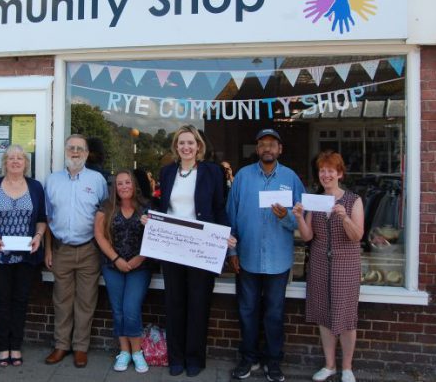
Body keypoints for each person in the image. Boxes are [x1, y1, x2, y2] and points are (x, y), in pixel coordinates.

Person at [227, 129, 306, 382]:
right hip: (247, 257)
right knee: (247, 311)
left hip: (278, 260)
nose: (267, 148)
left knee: (274, 314)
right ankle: (248, 359)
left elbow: (303, 219)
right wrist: (232, 251)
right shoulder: (243, 177)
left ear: (280, 149)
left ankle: (273, 362)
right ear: (257, 149)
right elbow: (231, 215)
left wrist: (286, 217)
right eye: (262, 144)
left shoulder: (291, 179)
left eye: (272, 144)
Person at [157, 124, 235, 378]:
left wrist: (226, 233)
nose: (186, 147)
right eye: (181, 143)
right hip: (172, 247)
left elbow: (219, 207)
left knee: (199, 304)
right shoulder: (167, 172)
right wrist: (150, 217)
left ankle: (194, 359)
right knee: (174, 303)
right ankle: (176, 358)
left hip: (201, 247)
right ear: (176, 147)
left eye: (190, 142)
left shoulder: (212, 172)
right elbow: (161, 206)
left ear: (198, 146)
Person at [293, 151, 364, 382]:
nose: (326, 175)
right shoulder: (315, 200)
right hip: (320, 262)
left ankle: (347, 368)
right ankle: (329, 365)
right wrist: (299, 217)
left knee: (346, 317)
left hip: (346, 263)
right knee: (323, 314)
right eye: (322, 170)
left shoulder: (353, 200)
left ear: (340, 174)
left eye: (331, 170)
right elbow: (307, 236)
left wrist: (344, 217)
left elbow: (357, 236)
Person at [0, 145, 47, 367]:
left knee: (20, 300)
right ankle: (3, 347)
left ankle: (15, 346)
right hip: (0, 254)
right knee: (2, 301)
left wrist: (38, 236)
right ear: (5, 163)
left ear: (26, 163)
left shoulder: (35, 187)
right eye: (11, 158)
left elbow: (41, 218)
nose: (15, 161)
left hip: (26, 255)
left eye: (20, 158)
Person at [43, 134, 108, 368]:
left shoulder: (98, 180)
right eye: (71, 148)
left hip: (89, 249)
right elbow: (47, 218)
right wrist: (48, 249)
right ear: (65, 151)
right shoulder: (52, 181)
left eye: (81, 149)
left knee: (86, 301)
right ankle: (61, 345)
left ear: (87, 154)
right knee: (61, 300)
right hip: (61, 249)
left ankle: (81, 347)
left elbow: (105, 215)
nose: (76, 152)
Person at [94, 170, 151, 373]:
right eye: (120, 183)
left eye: (127, 182)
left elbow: (156, 236)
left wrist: (139, 258)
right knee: (118, 309)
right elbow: (99, 235)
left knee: (131, 308)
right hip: (113, 266)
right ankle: (124, 351)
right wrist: (116, 259)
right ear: (115, 188)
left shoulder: (146, 207)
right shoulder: (106, 207)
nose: (124, 186)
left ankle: (137, 352)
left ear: (134, 184)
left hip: (139, 266)